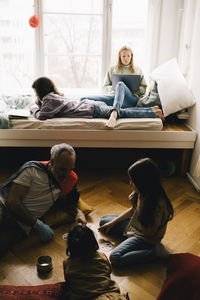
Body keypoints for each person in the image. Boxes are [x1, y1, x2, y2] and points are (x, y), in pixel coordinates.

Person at [0, 143, 86, 257]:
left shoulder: (70, 179)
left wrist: (79, 212)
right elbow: (12, 202)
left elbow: (67, 202)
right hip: (4, 209)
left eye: (70, 169)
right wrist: (37, 225)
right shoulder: (32, 169)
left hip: (21, 227)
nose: (66, 174)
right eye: (62, 169)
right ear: (52, 161)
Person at [98, 158, 174, 268]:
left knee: (115, 257)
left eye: (133, 181)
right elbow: (132, 210)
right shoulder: (141, 192)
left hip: (145, 237)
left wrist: (140, 208)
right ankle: (129, 238)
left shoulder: (158, 204)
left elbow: (147, 233)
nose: (130, 183)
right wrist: (112, 223)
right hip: (135, 226)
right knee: (104, 221)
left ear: (143, 183)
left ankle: (154, 252)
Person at [30, 77, 164, 129]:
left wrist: (34, 109)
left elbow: (42, 116)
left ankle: (154, 113)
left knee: (121, 113)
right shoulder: (53, 97)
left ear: (40, 91)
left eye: (36, 92)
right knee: (121, 112)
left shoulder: (48, 99)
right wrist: (39, 104)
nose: (36, 95)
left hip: (92, 109)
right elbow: (48, 110)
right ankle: (153, 110)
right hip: (91, 105)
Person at [63, 224, 128, 300]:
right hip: (110, 295)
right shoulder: (101, 256)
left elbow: (68, 281)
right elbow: (108, 272)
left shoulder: (67, 263)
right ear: (93, 242)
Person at [80, 45, 147, 108]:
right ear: (120, 57)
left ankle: (115, 111)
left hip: (131, 99)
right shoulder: (112, 69)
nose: (126, 58)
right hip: (115, 98)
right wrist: (117, 89)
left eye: (128, 56)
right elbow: (105, 87)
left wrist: (131, 90)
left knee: (120, 84)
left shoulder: (138, 69)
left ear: (131, 57)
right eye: (123, 56)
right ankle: (117, 106)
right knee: (83, 99)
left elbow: (144, 88)